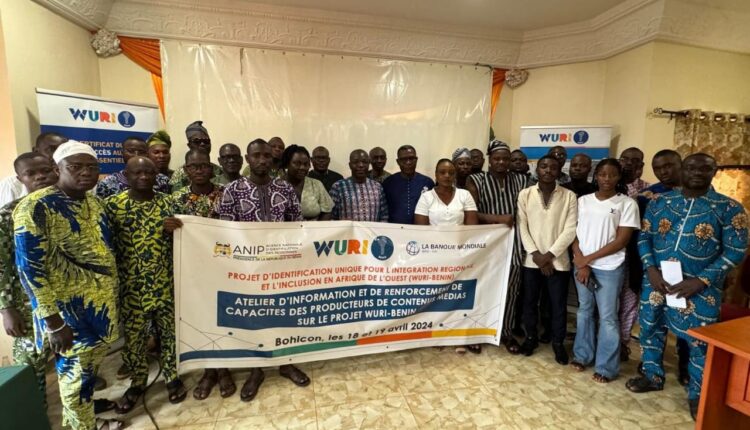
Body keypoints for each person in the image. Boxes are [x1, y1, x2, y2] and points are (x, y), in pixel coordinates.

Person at [626, 153, 747, 420]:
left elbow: (736, 250)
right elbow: (644, 236)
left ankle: (698, 393)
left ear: (714, 171)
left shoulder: (730, 208)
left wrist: (701, 280)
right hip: (657, 282)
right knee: (650, 328)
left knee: (699, 341)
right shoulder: (660, 203)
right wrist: (650, 269)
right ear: (683, 169)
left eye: (705, 168)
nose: (697, 172)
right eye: (691, 167)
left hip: (700, 288)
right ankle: (652, 375)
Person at [13, 140, 121, 430]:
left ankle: (83, 421)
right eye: (76, 166)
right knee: (75, 380)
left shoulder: (95, 204)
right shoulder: (35, 207)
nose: (86, 172)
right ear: (56, 168)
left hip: (99, 310)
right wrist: (53, 322)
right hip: (67, 316)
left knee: (85, 378)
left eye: (92, 167)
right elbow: (29, 270)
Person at [216, 138, 311, 401]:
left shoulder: (285, 188)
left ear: (273, 159)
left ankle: (286, 363)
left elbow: (297, 226)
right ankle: (256, 370)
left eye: (267, 156)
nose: (262, 160)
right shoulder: (232, 191)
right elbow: (224, 232)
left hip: (281, 268)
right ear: (247, 159)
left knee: (284, 315)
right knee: (254, 319)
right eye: (256, 156)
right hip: (247, 269)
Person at [105, 157, 187, 413]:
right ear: (126, 175)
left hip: (166, 283)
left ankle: (172, 377)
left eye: (149, 172)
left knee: (170, 333)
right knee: (134, 338)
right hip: (131, 287)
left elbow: (186, 239)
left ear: (156, 175)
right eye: (137, 172)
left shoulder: (169, 203)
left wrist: (177, 229)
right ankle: (138, 381)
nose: (143, 177)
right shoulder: (112, 206)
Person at [171, 149, 235, 401]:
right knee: (200, 319)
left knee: (222, 318)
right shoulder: (176, 199)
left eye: (204, 165)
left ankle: (225, 368)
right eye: (193, 166)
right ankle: (209, 371)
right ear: (186, 170)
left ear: (212, 168)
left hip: (224, 267)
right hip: (192, 270)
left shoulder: (225, 193)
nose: (199, 170)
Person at [569, 159, 639, 384]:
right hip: (582, 265)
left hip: (609, 267)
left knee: (608, 317)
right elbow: (573, 233)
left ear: (619, 177)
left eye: (612, 175)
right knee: (584, 311)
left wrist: (588, 260)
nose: (607, 179)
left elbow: (621, 240)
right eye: (602, 174)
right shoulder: (583, 201)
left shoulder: (627, 203)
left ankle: (606, 367)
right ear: (596, 176)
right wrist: (582, 262)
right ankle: (582, 355)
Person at [0, 152, 58, 403]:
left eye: (45, 170)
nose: (40, 177)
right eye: (31, 173)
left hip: (67, 299)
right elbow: (1, 265)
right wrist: (6, 308)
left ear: (55, 170)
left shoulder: (68, 207)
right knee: (32, 363)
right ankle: (35, 414)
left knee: (74, 361)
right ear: (19, 178)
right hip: (27, 305)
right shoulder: (8, 215)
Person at [466, 140, 528, 354]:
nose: (501, 162)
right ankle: (475, 331)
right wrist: (497, 218)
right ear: (489, 160)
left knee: (511, 287)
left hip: (514, 241)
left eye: (505, 159)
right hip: (486, 242)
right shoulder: (476, 180)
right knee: (482, 286)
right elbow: (470, 212)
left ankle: (505, 331)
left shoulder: (521, 180)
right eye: (497, 159)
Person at [634, 149, 690, 385]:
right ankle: (651, 368)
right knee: (651, 321)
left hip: (689, 274)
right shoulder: (650, 195)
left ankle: (686, 368)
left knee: (686, 324)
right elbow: (642, 234)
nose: (663, 172)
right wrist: (649, 268)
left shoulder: (701, 193)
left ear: (680, 164)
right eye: (658, 168)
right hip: (655, 270)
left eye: (668, 166)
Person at [517, 155, 578, 364]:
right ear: (537, 169)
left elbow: (570, 229)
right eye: (544, 166)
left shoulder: (569, 196)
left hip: (558, 262)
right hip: (531, 260)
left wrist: (549, 256)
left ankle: (558, 343)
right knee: (529, 302)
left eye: (553, 167)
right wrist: (536, 255)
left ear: (559, 171)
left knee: (558, 305)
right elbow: (522, 226)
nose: (548, 170)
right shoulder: (525, 194)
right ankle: (531, 338)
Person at [415, 159, 478, 353]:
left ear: (455, 175)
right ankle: (438, 334)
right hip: (435, 255)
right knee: (437, 296)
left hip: (460, 255)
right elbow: (421, 229)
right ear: (436, 175)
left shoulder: (464, 195)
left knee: (460, 295)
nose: (447, 176)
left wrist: (460, 251)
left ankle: (459, 336)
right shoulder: (426, 197)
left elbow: (472, 227)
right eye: (442, 172)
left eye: (451, 172)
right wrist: (439, 248)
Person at [616, 147, 652, 361]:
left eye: (634, 160)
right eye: (625, 159)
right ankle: (603, 341)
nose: (628, 163)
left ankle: (622, 343)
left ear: (641, 165)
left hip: (635, 256)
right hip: (607, 255)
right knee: (606, 301)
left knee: (629, 301)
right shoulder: (608, 186)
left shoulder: (649, 191)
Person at [0, 132, 66, 206]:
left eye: (64, 150)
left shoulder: (68, 179)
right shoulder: (10, 185)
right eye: (51, 149)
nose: (59, 154)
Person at [96, 137, 170, 198]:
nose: (136, 155)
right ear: (122, 153)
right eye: (131, 151)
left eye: (141, 151)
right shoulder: (107, 183)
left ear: (147, 154)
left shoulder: (162, 180)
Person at [330, 150, 389, 222]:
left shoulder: (377, 187)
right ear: (350, 165)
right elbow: (332, 216)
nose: (361, 165)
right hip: (347, 229)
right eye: (355, 162)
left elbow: (384, 215)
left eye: (364, 162)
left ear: (368, 164)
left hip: (373, 229)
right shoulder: (338, 187)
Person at [382, 145, 434, 224]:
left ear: (416, 160)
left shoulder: (428, 182)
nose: (408, 162)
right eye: (404, 159)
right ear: (398, 162)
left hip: (421, 229)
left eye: (411, 158)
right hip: (393, 229)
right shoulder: (388, 183)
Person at [282, 145, 333, 220]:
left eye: (306, 164)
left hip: (314, 227)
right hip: (283, 227)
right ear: (287, 164)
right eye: (297, 163)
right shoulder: (276, 186)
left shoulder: (316, 184)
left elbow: (327, 211)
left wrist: (318, 226)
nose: (302, 167)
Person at [169, 121, 224, 189]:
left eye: (206, 141)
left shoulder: (219, 170)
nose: (202, 144)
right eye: (197, 141)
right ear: (189, 145)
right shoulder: (180, 174)